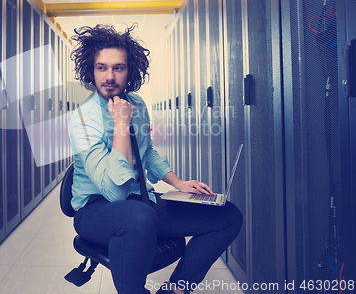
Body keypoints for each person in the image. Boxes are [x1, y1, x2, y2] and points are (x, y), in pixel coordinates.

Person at [68, 24, 243, 294]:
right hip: (95, 210)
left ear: (130, 71)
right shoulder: (83, 119)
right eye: (101, 67)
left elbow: (146, 151)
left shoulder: (136, 104)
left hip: (141, 203)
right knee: (137, 217)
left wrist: (179, 183)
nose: (109, 77)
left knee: (227, 216)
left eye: (119, 68)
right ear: (91, 70)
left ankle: (175, 289)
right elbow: (114, 194)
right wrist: (120, 127)